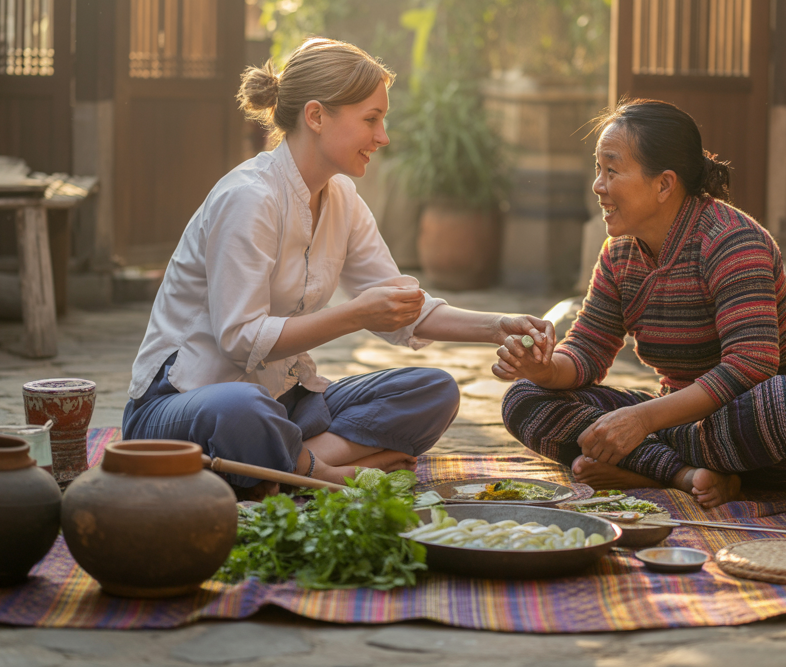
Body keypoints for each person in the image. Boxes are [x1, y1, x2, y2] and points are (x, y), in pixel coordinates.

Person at [123, 37, 554, 500]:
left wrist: (498, 327)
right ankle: (327, 475)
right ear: (316, 116)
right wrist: (355, 315)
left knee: (434, 389)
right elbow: (240, 338)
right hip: (183, 407)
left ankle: (282, 464)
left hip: (281, 405)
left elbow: (402, 305)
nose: (383, 136)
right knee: (241, 408)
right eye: (371, 119)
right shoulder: (249, 197)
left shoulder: (342, 198)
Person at [493, 100, 786, 508]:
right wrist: (545, 369)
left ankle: (646, 464)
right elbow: (586, 352)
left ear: (664, 184)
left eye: (612, 170)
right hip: (687, 425)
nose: (598, 185)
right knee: (524, 397)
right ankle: (682, 475)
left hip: (768, 433)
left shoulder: (733, 241)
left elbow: (752, 364)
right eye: (597, 169)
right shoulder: (618, 255)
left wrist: (640, 422)